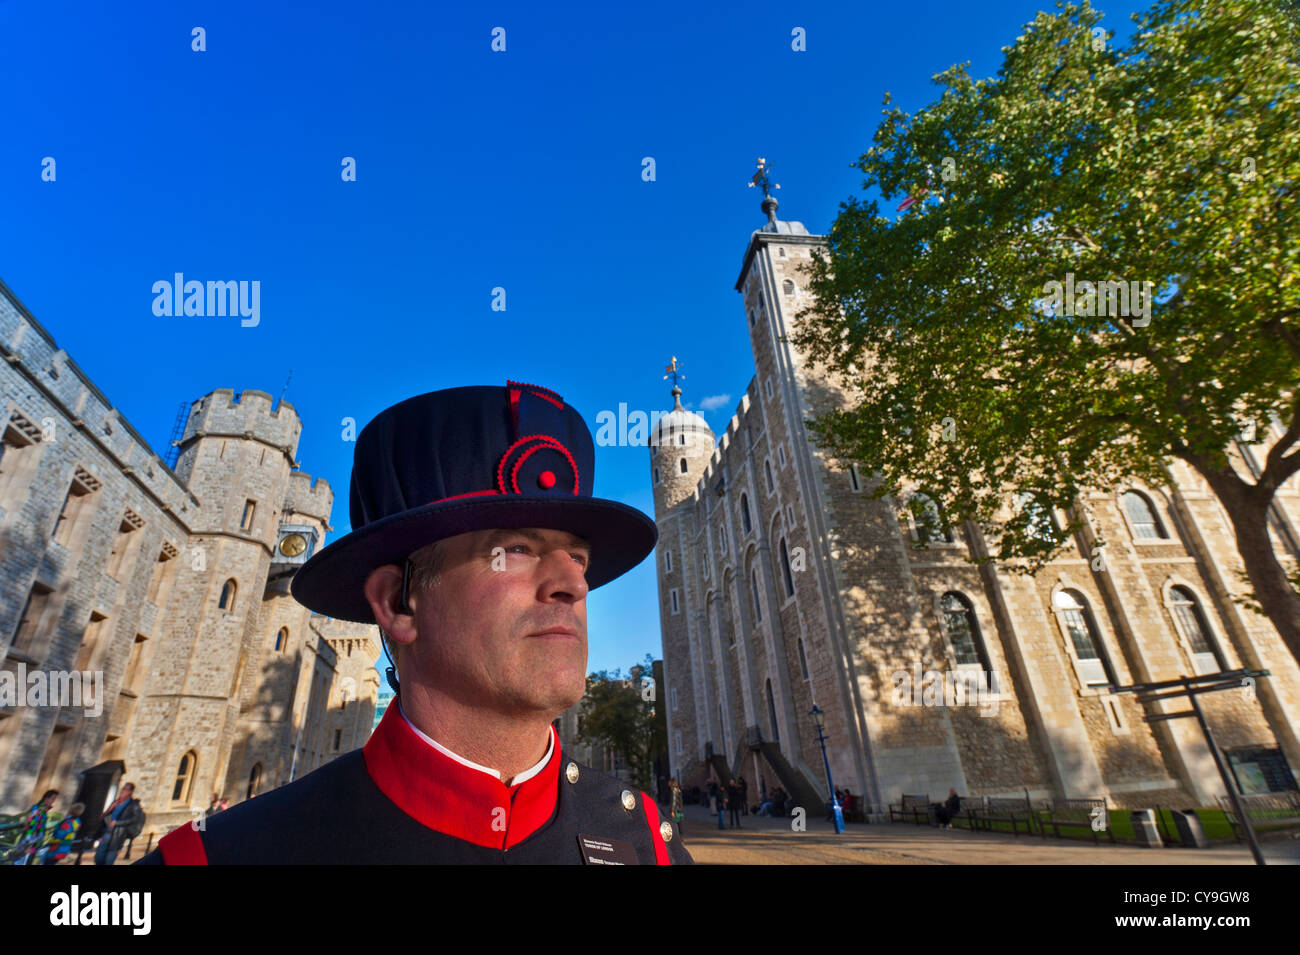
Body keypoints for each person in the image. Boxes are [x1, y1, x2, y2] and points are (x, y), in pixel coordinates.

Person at [136, 382, 692, 864]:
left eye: (578, 558)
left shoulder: (646, 844)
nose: (572, 584)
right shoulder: (228, 855)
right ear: (399, 604)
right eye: (517, 549)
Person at [95, 782, 143, 865]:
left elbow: (135, 819)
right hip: (106, 832)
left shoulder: (133, 804)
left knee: (109, 860)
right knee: (98, 858)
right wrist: (99, 834)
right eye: (123, 788)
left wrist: (118, 823)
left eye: (125, 789)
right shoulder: (115, 802)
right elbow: (106, 816)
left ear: (130, 792)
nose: (122, 791)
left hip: (118, 835)